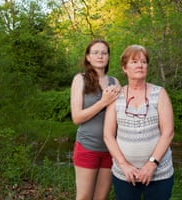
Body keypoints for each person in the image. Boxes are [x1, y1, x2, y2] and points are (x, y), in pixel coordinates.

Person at [103, 45, 174, 200]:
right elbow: (108, 135)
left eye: (143, 61)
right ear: (124, 68)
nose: (140, 65)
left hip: (159, 173)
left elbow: (168, 132)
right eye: (134, 61)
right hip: (124, 175)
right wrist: (123, 165)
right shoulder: (116, 96)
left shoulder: (159, 93)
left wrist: (151, 164)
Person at [70, 39, 121, 200]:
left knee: (101, 197)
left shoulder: (115, 82)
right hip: (87, 147)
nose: (100, 56)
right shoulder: (80, 79)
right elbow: (77, 117)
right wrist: (103, 102)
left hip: (110, 150)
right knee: (84, 197)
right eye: (95, 52)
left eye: (104, 53)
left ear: (108, 57)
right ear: (88, 57)